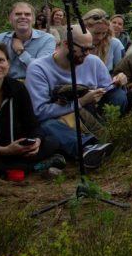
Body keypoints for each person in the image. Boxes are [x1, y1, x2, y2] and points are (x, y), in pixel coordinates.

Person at [25, 25, 121, 167]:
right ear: (65, 44)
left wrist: (118, 82)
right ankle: (87, 147)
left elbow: (108, 88)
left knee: (119, 95)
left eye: (91, 48)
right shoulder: (39, 68)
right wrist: (80, 101)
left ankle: (109, 139)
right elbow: (39, 112)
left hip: (90, 116)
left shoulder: (93, 62)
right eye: (83, 49)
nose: (87, 53)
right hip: (59, 121)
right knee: (47, 125)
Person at [0, 43, 67, 178]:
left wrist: (36, 141)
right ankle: (33, 167)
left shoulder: (17, 88)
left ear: (8, 64)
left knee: (51, 142)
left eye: (0, 60)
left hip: (17, 149)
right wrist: (3, 151)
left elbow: (33, 123)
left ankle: (8, 170)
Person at [0, 2, 57, 81]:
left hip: (35, 83)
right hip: (5, 85)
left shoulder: (47, 39)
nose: (23, 17)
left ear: (33, 20)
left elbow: (42, 68)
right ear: (10, 19)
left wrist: (21, 52)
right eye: (18, 14)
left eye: (27, 14)